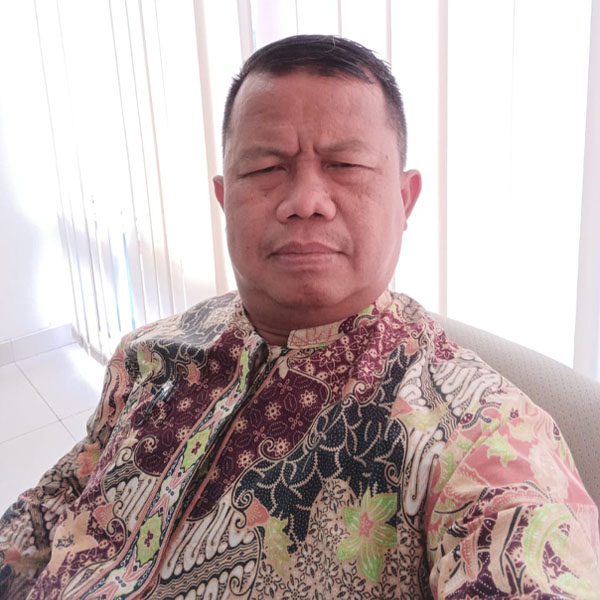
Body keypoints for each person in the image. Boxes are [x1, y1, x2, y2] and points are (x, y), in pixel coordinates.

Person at [0, 34, 598, 600]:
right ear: (224, 198)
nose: (305, 201)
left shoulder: (484, 439)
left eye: (346, 164)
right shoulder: (146, 355)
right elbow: (58, 502)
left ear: (404, 198)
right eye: (266, 168)